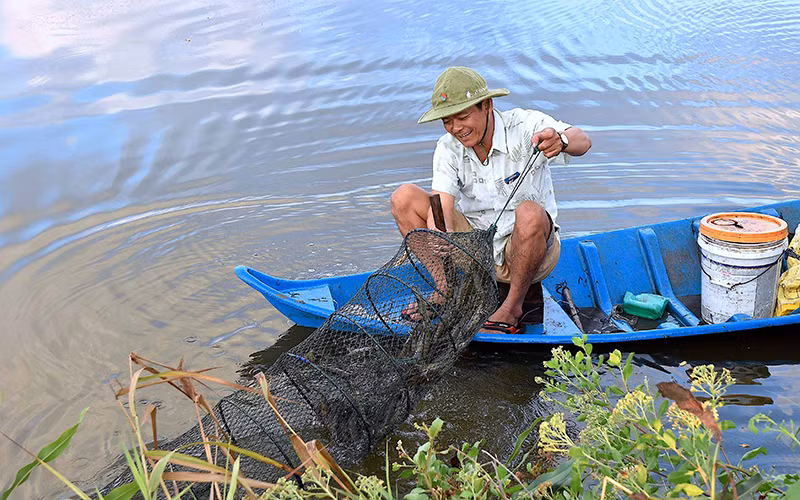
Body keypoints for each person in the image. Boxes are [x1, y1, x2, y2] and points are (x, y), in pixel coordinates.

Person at [390, 66, 591, 334]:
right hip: (478, 250)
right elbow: (442, 202)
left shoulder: (525, 125)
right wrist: (437, 231)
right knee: (403, 198)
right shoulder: (448, 147)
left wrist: (562, 140)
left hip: (531, 250)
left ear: (487, 105)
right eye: (447, 121)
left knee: (530, 213)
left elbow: (583, 141)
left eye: (463, 117)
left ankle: (512, 306)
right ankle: (444, 290)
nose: (456, 128)